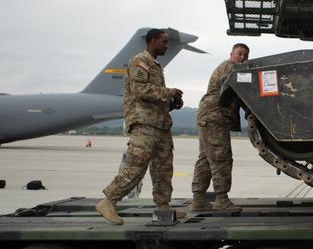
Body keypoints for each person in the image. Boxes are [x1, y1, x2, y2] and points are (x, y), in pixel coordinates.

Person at [96, 29, 184, 225]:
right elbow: (139, 89)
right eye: (164, 42)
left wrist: (172, 102)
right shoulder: (139, 60)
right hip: (144, 124)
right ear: (152, 41)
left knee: (163, 168)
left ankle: (163, 207)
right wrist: (168, 92)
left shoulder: (155, 65)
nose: (166, 46)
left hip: (159, 124)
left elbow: (154, 97)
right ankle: (109, 201)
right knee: (136, 165)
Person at [191, 43, 249, 212]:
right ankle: (221, 199)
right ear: (231, 53)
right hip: (215, 117)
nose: (243, 57)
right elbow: (237, 86)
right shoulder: (229, 68)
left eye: (246, 55)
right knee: (220, 157)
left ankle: (198, 199)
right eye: (240, 54)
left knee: (205, 159)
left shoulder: (230, 68)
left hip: (209, 116)